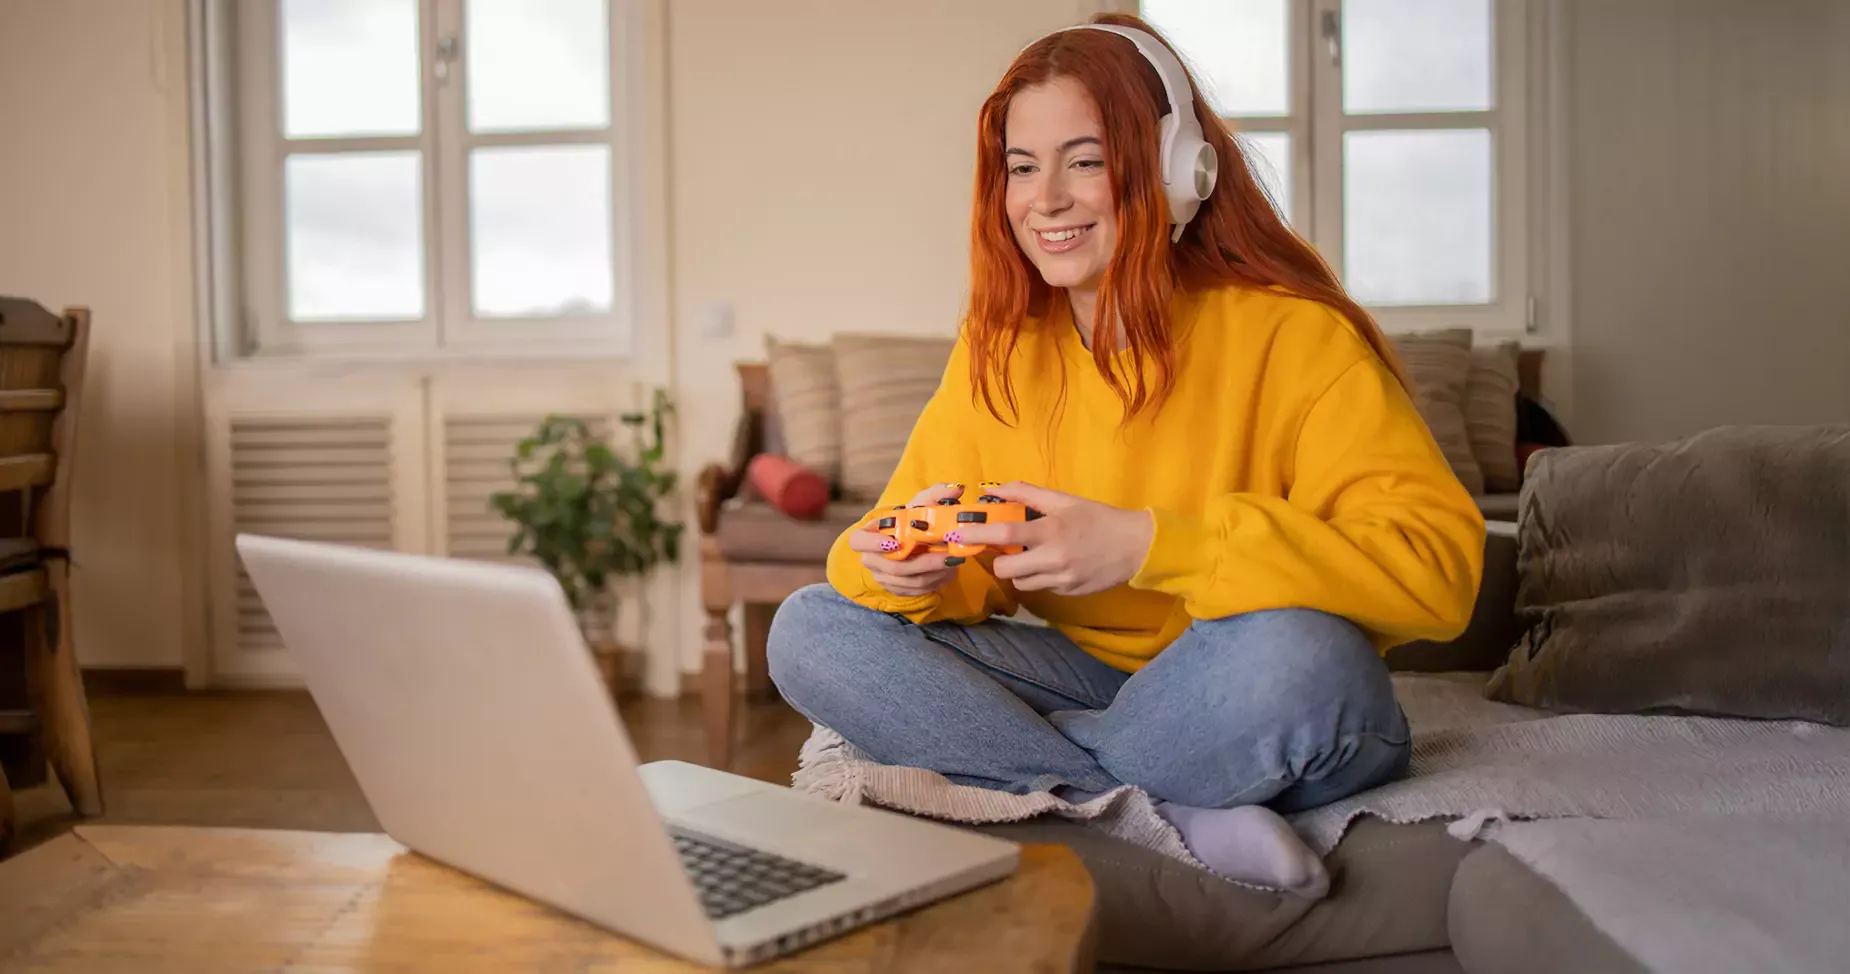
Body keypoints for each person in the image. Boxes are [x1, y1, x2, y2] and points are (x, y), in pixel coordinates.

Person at [766, 12, 1485, 899]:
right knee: (812, 623)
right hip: (1101, 684)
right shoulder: (1001, 348)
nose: (1047, 199)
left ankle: (1040, 776)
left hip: (1249, 673)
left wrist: (1150, 545)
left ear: (1178, 170)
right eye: (1022, 169)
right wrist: (902, 566)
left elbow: (1442, 570)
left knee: (1310, 657)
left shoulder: (1296, 337)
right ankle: (1152, 803)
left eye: (1085, 159)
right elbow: (894, 541)